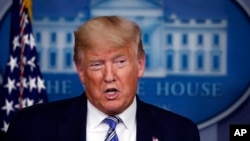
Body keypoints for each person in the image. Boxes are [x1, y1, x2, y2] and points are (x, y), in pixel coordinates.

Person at [5, 16, 200, 141]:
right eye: (97, 64)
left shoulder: (180, 133)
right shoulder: (31, 128)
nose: (109, 76)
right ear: (81, 71)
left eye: (120, 62)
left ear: (140, 65)